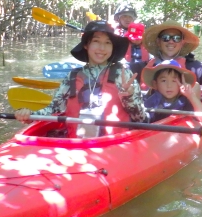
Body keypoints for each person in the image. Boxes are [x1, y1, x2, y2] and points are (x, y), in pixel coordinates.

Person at [14, 20, 147, 137]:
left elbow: (141, 119)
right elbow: (54, 109)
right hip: (78, 145)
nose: (102, 48)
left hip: (113, 145)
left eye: (107, 43)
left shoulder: (123, 75)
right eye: (96, 41)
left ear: (113, 48)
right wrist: (30, 115)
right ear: (86, 45)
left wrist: (129, 97)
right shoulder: (72, 77)